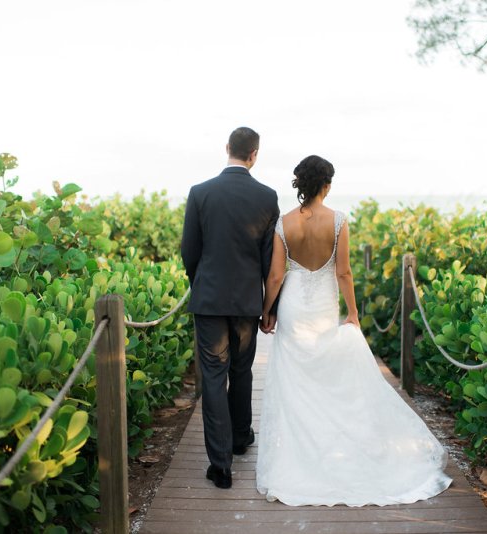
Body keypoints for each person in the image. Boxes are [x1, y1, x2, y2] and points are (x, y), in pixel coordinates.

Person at [255, 155, 453, 506]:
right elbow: (344, 273)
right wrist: (353, 313)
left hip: (295, 307)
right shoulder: (338, 221)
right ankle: (333, 450)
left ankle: (299, 457)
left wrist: (266, 311)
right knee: (327, 377)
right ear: (326, 185)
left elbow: (275, 276)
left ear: (300, 184)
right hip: (322, 308)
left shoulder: (283, 224)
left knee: (294, 380)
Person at [181, 127, 279, 489]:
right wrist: (271, 307)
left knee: (213, 376)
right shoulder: (267, 197)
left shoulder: (200, 193)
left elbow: (189, 250)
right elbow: (271, 261)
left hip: (209, 298)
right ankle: (240, 438)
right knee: (241, 370)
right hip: (246, 301)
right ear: (254, 154)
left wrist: (201, 283)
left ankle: (221, 465)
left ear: (228, 149)